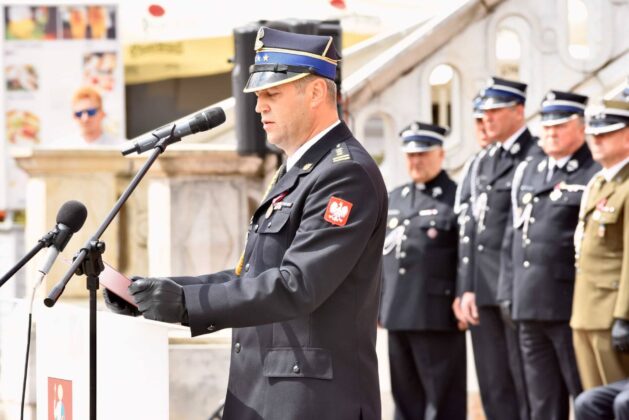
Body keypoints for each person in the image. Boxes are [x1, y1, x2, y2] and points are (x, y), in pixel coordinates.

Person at [104, 27, 388, 420]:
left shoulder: (345, 174)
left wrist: (187, 305)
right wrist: (159, 294)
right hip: (268, 396)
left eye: (272, 94)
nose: (259, 108)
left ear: (317, 93)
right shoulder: (300, 170)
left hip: (312, 403)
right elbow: (250, 275)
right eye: (258, 97)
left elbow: (297, 285)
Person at [498, 90, 599, 420]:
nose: (551, 132)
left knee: (581, 393)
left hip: (569, 303)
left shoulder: (592, 172)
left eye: (560, 125)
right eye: (547, 125)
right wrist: (508, 292)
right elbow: (513, 236)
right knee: (541, 399)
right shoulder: (530, 171)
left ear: (581, 128)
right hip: (528, 303)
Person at [460, 76, 541, 420]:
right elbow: (471, 231)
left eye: (496, 111)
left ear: (519, 111)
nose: (487, 118)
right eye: (484, 112)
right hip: (484, 290)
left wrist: (510, 289)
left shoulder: (534, 155)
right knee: (493, 385)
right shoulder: (484, 160)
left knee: (525, 386)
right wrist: (467, 286)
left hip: (516, 290)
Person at [379, 121, 466, 420]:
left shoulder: (456, 196)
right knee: (404, 397)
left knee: (442, 400)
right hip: (396, 311)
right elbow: (381, 256)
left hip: (437, 314)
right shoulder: (396, 197)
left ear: (441, 154)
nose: (416, 161)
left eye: (423, 154)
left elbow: (465, 256)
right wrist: (378, 304)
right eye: (410, 155)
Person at [571, 89, 629, 390]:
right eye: (594, 133)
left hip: (611, 314)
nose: (596, 139)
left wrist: (624, 315)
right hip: (585, 311)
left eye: (606, 134)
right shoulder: (598, 182)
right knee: (593, 403)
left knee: (617, 400)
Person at [453, 93, 494, 328]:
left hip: (498, 287)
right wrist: (464, 287)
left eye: (487, 120)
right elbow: (465, 233)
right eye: (478, 122)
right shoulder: (475, 164)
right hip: (475, 286)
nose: (484, 128)